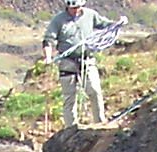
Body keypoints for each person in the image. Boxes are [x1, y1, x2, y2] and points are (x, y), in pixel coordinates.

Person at [42, 0, 115, 130]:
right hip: (67, 62)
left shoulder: (90, 15)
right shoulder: (58, 20)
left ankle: (100, 123)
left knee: (94, 91)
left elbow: (105, 24)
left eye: (78, 7)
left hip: (87, 60)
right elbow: (48, 40)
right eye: (73, 8)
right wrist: (48, 57)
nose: (75, 10)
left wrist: (118, 23)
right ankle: (70, 128)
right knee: (69, 97)